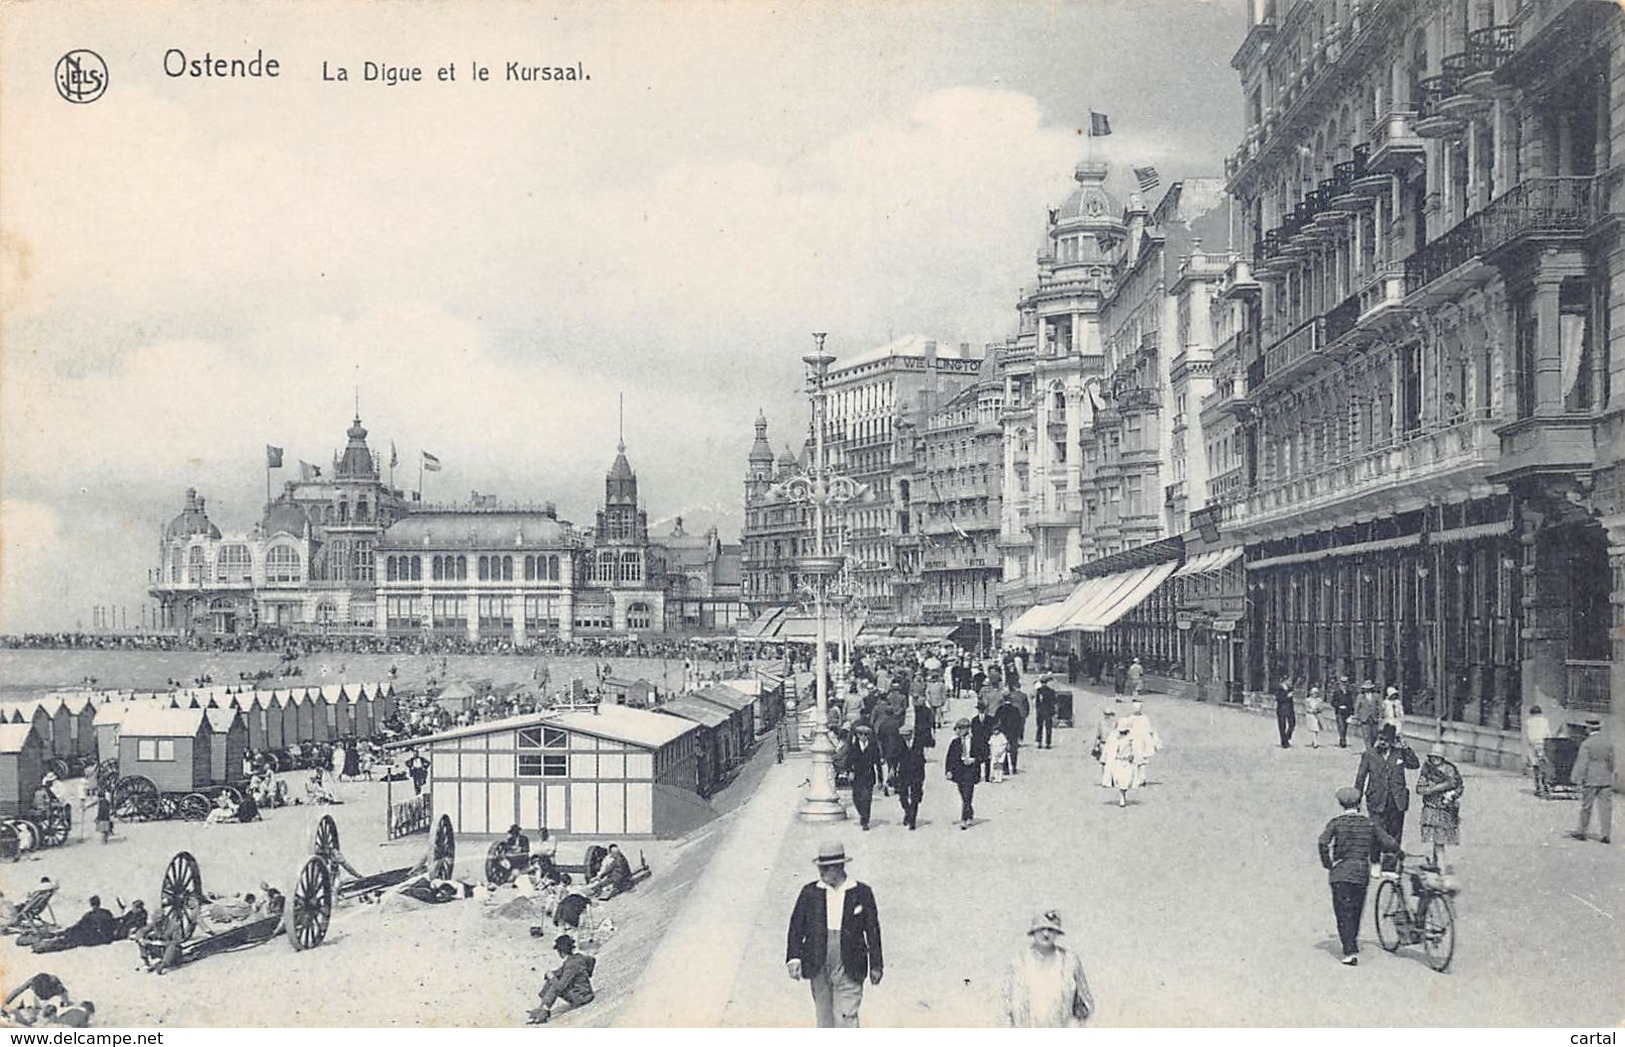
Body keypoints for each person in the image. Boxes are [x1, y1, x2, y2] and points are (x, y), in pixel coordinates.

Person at [785, 841, 883, 1028]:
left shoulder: (861, 892)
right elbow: (796, 926)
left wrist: (876, 965)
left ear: (839, 867)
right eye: (820, 868)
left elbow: (873, 931)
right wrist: (794, 958)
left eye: (826, 868)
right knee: (824, 1017)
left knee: (847, 1015)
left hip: (850, 962)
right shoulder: (810, 892)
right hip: (818, 960)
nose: (821, 873)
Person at [1318, 786, 1402, 966]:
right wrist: (1397, 852)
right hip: (1360, 873)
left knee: (1343, 912)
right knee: (1356, 910)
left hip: (1340, 872)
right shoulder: (1369, 824)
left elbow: (1323, 842)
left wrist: (1328, 863)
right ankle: (1352, 943)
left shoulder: (1335, 823)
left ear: (1341, 804)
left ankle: (1348, 950)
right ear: (1359, 804)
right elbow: (1389, 842)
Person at [1001, 909, 1094, 1027]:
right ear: (1033, 931)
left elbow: (1084, 1005)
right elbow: (1005, 1007)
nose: (1046, 934)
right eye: (1041, 929)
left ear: (1057, 932)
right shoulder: (1018, 963)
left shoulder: (1069, 962)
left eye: (1051, 929)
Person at [1354, 724, 1420, 856]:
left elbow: (1414, 764)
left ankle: (1390, 866)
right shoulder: (1369, 755)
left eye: (1385, 740)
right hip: (1376, 799)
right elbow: (1360, 777)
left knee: (1395, 833)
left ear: (1392, 741)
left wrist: (1406, 747)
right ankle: (1375, 861)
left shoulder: (1400, 753)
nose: (1382, 742)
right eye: (1380, 739)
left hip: (1397, 801)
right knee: (1376, 831)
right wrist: (1356, 800)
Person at [526, 934, 596, 1024]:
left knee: (555, 984)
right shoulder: (578, 957)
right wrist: (588, 973)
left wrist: (551, 977)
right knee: (553, 977)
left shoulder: (571, 965)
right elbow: (592, 960)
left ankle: (543, 1013)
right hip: (585, 992)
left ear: (561, 952)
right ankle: (541, 1008)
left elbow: (560, 986)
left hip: (581, 997)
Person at [1416, 745, 1464, 862]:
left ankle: (1442, 871)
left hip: (1445, 810)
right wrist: (1436, 788)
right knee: (1435, 840)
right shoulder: (1427, 770)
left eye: (1438, 757)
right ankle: (1436, 864)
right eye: (1433, 757)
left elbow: (1458, 787)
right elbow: (1420, 789)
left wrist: (1452, 795)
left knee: (1440, 843)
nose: (1435, 759)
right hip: (1431, 809)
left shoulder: (1450, 770)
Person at [1571, 717, 1614, 844]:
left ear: (1588, 728)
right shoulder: (1608, 742)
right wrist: (1609, 773)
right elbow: (1612, 762)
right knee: (1606, 807)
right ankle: (1606, 834)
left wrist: (1576, 778)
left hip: (1590, 778)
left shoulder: (1587, 744)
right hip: (1605, 778)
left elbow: (1582, 763)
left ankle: (1582, 831)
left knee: (1586, 806)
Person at [844, 724, 884, 831]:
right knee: (856, 798)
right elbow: (848, 762)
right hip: (857, 776)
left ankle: (865, 820)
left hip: (868, 776)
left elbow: (878, 764)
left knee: (866, 798)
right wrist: (850, 772)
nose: (863, 736)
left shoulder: (873, 747)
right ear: (857, 735)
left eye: (865, 734)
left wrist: (880, 780)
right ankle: (862, 813)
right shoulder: (853, 747)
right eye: (860, 734)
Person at [945, 719, 980, 830]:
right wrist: (948, 771)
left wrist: (973, 760)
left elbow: (983, 755)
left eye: (960, 729)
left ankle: (964, 819)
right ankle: (969, 812)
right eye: (957, 729)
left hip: (971, 770)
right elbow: (949, 758)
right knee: (963, 794)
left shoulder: (975, 741)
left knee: (967, 794)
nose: (958, 731)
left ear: (967, 729)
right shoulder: (955, 742)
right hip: (959, 771)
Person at [1099, 720, 1140, 807]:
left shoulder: (1131, 738)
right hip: (1117, 762)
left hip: (1127, 762)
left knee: (1127, 780)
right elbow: (1108, 749)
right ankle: (1122, 797)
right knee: (1120, 780)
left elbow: (1136, 749)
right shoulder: (1114, 737)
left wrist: (1133, 756)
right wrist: (1105, 759)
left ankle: (1123, 794)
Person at [894, 723, 927, 831]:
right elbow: (895, 757)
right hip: (903, 773)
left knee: (915, 797)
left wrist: (922, 776)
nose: (905, 738)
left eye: (907, 735)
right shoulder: (899, 743)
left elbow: (921, 760)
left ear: (911, 734)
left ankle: (912, 820)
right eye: (903, 736)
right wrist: (892, 769)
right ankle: (908, 812)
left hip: (916, 773)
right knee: (902, 796)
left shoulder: (918, 743)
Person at [1123, 700, 1158, 787]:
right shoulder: (1143, 718)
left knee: (1138, 760)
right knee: (1140, 760)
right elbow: (1150, 729)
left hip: (1139, 741)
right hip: (1139, 741)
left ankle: (1139, 778)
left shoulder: (1131, 718)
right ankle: (1140, 778)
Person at [1524, 704, 1554, 798]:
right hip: (1543, 744)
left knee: (1536, 766)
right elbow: (1548, 734)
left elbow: (1529, 736)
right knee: (1544, 765)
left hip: (1534, 745)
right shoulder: (1545, 721)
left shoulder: (1529, 722)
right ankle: (1546, 786)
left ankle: (1538, 787)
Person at [996, 693, 1025, 776]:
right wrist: (1019, 733)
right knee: (1013, 751)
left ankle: (1005, 769)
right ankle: (1014, 767)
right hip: (1013, 732)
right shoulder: (1015, 709)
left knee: (1003, 750)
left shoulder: (1000, 709)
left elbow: (995, 721)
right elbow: (1020, 722)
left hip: (1003, 732)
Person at [1352, 681, 1380, 751]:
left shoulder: (1376, 696)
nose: (1367, 689)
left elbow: (1379, 706)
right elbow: (1357, 707)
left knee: (1374, 735)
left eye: (1369, 688)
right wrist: (1356, 716)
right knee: (1366, 735)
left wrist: (1380, 715)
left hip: (1374, 718)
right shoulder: (1360, 697)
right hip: (1364, 718)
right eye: (1366, 688)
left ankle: (1371, 746)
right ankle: (1369, 750)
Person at [1329, 676, 1354, 748]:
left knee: (1345, 727)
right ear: (1340, 684)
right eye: (1342, 683)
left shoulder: (1349, 693)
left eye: (1345, 683)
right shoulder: (1336, 693)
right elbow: (1332, 702)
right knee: (1341, 726)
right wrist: (1339, 705)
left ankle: (1342, 738)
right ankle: (1343, 741)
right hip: (1339, 711)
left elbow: (1351, 702)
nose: (1344, 685)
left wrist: (1352, 712)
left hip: (1347, 712)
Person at [1034, 677, 1057, 749]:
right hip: (1048, 711)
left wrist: (1037, 709)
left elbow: (1037, 702)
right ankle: (1048, 743)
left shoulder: (1039, 691)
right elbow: (1054, 701)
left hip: (1040, 711)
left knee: (1039, 727)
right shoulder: (1051, 691)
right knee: (1048, 728)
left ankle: (1039, 742)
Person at [1274, 678, 1296, 748]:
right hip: (1281, 710)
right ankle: (1284, 742)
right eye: (1289, 681)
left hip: (1290, 710)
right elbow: (1278, 699)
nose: (1290, 682)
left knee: (1292, 724)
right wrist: (1287, 696)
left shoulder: (1290, 689)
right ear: (1284, 681)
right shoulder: (1279, 689)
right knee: (1282, 726)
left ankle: (1286, 738)